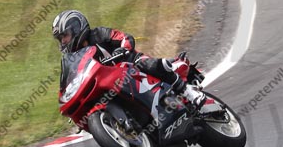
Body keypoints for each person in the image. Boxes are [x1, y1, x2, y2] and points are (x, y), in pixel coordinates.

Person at [52, 10, 205, 107]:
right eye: (60, 39)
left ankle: (188, 92)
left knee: (145, 64)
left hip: (130, 63)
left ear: (76, 28)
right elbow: (74, 77)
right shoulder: (75, 58)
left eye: (64, 36)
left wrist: (122, 50)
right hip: (111, 82)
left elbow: (124, 37)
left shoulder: (98, 34)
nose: (63, 41)